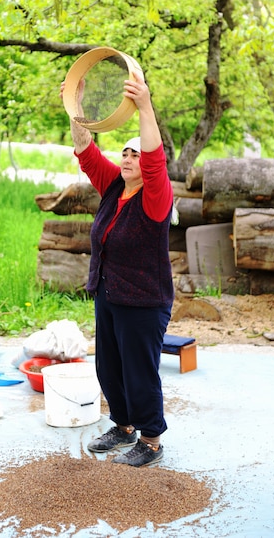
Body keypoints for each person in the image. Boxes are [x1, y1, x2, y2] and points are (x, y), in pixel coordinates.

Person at [60, 70, 174, 467]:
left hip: (143, 301)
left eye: (135, 153)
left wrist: (143, 104)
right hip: (109, 294)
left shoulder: (155, 198)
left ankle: (152, 440)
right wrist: (73, 107)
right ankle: (123, 425)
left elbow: (156, 161)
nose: (127, 157)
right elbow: (87, 153)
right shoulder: (115, 186)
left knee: (140, 371)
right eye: (124, 152)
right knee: (109, 366)